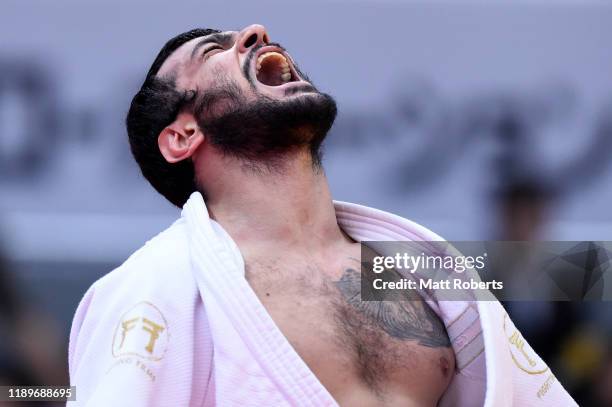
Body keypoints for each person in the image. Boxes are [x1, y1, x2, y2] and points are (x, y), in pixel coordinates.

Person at [68, 25, 577, 406]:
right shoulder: (152, 291)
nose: (255, 32)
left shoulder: (411, 273)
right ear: (182, 136)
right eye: (213, 51)